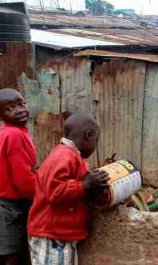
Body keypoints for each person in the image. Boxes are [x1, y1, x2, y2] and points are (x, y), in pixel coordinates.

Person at [28, 113, 109, 265]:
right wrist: (84, 185)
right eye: (96, 140)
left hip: (60, 234)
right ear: (88, 135)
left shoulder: (71, 156)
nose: (95, 146)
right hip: (52, 236)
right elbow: (55, 191)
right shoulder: (64, 156)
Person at [0, 88, 37, 265]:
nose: (19, 110)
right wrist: (43, 195)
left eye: (21, 104)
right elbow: (22, 181)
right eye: (10, 108)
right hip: (8, 206)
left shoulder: (15, 131)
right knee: (10, 254)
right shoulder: (13, 135)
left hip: (8, 202)